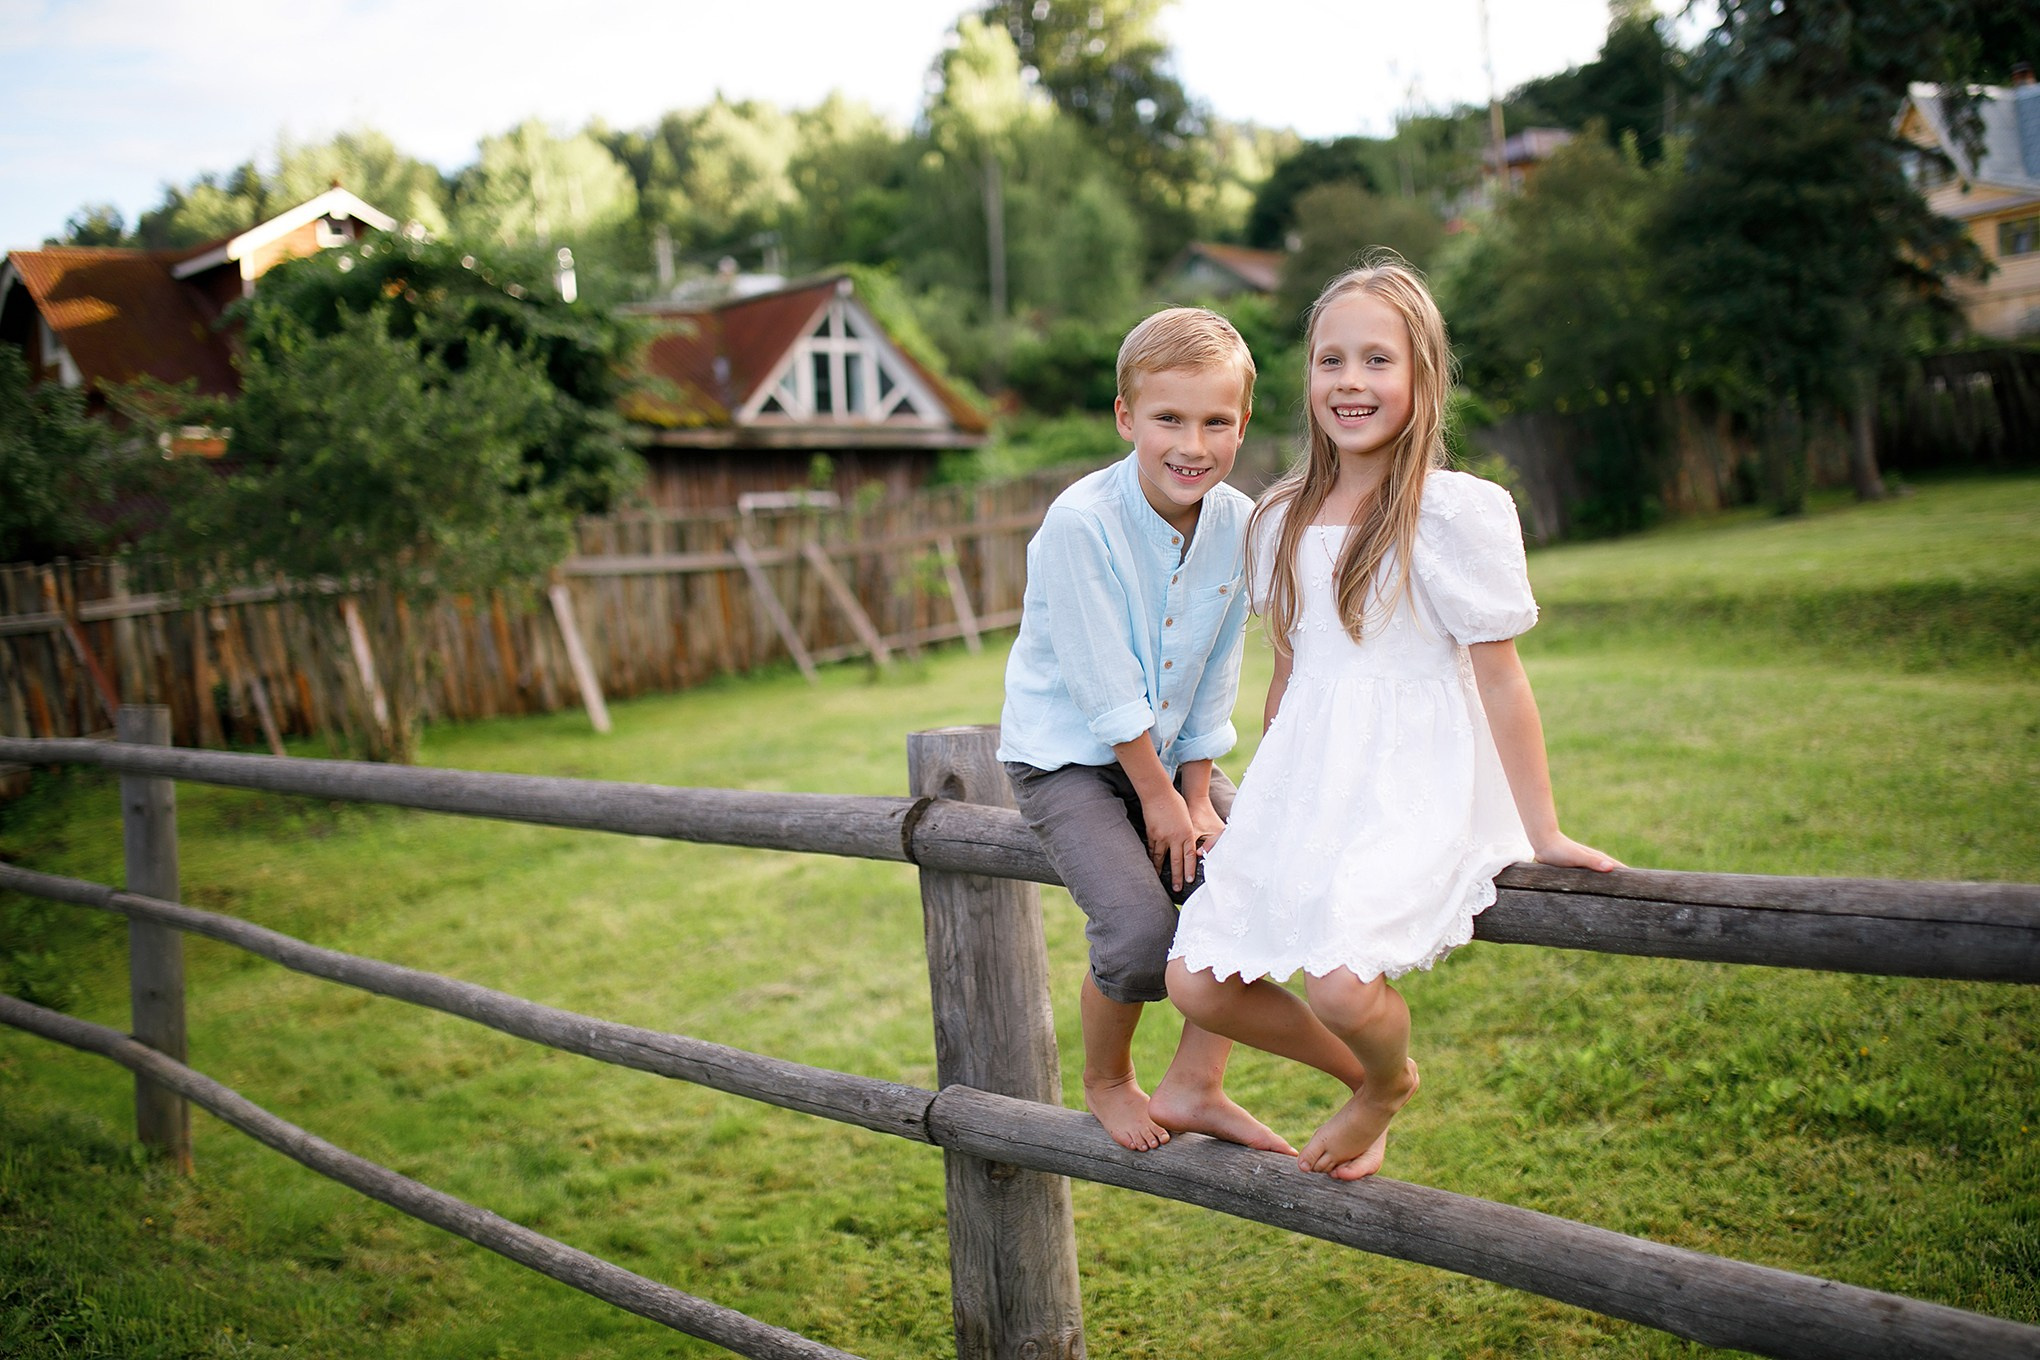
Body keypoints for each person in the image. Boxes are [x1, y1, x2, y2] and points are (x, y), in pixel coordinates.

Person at [1166, 257, 1620, 1181]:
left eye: (1378, 360)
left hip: (1416, 779)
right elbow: (1289, 673)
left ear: (1423, 375)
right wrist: (1267, 811)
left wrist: (1543, 831)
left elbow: (1501, 681)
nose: (1351, 382)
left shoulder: (1453, 512)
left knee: (1341, 985)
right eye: (1330, 360)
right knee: (1194, 981)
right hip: (1309, 779)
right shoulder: (1279, 516)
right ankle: (1360, 1076)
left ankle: (1384, 1083)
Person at [998, 306, 1300, 1154]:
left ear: (1243, 424)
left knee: (1250, 887)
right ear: (1126, 417)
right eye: (1169, 418)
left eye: (1216, 422)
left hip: (1173, 755)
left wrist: (1196, 797)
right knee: (1139, 937)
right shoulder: (1081, 523)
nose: (1192, 445)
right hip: (1070, 760)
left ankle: (1198, 1085)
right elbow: (1104, 688)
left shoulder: (1239, 522)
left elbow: (1214, 670)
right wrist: (1160, 802)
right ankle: (1109, 1078)